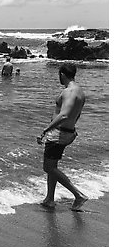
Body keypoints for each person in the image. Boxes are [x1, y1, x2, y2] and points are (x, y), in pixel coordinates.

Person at [37, 63, 88, 211]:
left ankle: (78, 195)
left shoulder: (69, 91)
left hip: (59, 133)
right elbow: (76, 115)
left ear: (62, 75)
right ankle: (49, 199)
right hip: (68, 132)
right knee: (53, 166)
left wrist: (45, 130)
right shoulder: (79, 91)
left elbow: (64, 114)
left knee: (48, 167)